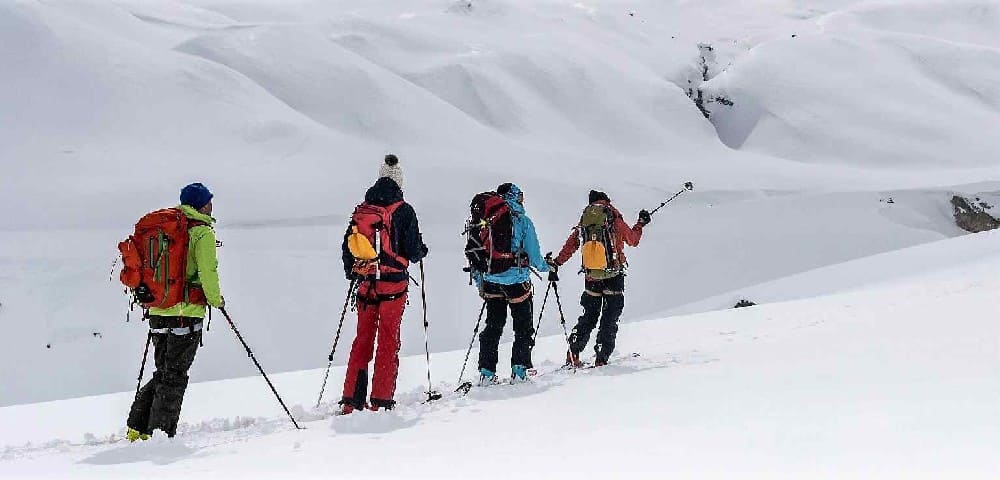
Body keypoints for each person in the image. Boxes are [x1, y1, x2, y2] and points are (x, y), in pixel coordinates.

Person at [126, 182, 224, 441]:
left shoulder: (166, 228)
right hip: (186, 312)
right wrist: (216, 300)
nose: (212, 204)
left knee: (164, 372)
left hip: (158, 310)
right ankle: (159, 433)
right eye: (209, 200)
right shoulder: (201, 232)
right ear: (201, 204)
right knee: (175, 375)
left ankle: (137, 427)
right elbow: (207, 272)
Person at [339, 154, 428, 414]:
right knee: (388, 341)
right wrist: (421, 250)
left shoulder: (363, 209)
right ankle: (380, 400)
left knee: (362, 340)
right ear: (400, 182)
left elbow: (348, 246)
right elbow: (413, 251)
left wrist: (353, 273)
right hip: (393, 287)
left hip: (366, 286)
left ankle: (351, 400)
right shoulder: (404, 210)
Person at [549, 190, 649, 367]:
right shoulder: (612, 217)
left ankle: (573, 351)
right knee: (609, 318)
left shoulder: (586, 221)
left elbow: (571, 245)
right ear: (606, 201)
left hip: (591, 276)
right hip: (613, 275)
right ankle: (601, 357)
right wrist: (640, 224)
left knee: (589, 316)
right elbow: (633, 240)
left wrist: (557, 262)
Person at [476, 183, 549, 384]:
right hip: (516, 281)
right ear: (516, 197)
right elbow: (534, 257)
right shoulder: (523, 221)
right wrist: (548, 267)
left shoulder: (485, 221)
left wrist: (480, 283)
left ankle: (487, 372)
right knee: (523, 326)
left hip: (491, 281)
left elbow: (476, 253)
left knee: (493, 326)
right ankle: (519, 369)